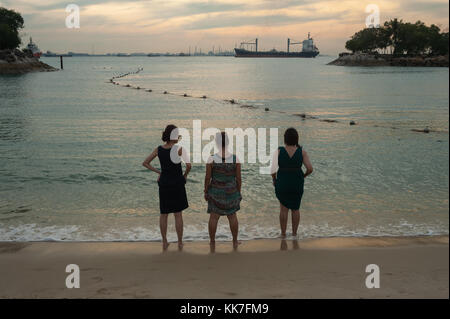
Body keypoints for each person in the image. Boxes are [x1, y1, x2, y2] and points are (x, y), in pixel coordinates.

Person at [142, 124, 191, 250]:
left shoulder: (159, 149)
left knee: (164, 214)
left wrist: (159, 172)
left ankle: (165, 242)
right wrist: (184, 176)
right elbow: (189, 166)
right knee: (178, 214)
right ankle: (180, 242)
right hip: (177, 184)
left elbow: (145, 163)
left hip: (164, 183)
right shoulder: (179, 149)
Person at [271, 127, 313, 238]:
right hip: (297, 183)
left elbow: (272, 170)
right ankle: (294, 234)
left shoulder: (279, 151)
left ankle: (283, 234)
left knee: (283, 209)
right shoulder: (302, 152)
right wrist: (303, 176)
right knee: (295, 209)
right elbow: (310, 169)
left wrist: (274, 179)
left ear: (285, 139)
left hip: (282, 183)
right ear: (296, 139)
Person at [204, 132, 242, 249]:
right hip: (231, 192)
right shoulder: (235, 159)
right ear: (228, 142)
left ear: (216, 143)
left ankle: (212, 242)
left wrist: (205, 190)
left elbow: (207, 177)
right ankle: (235, 241)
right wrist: (238, 192)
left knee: (214, 217)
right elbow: (239, 178)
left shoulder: (212, 158)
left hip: (215, 191)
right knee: (232, 216)